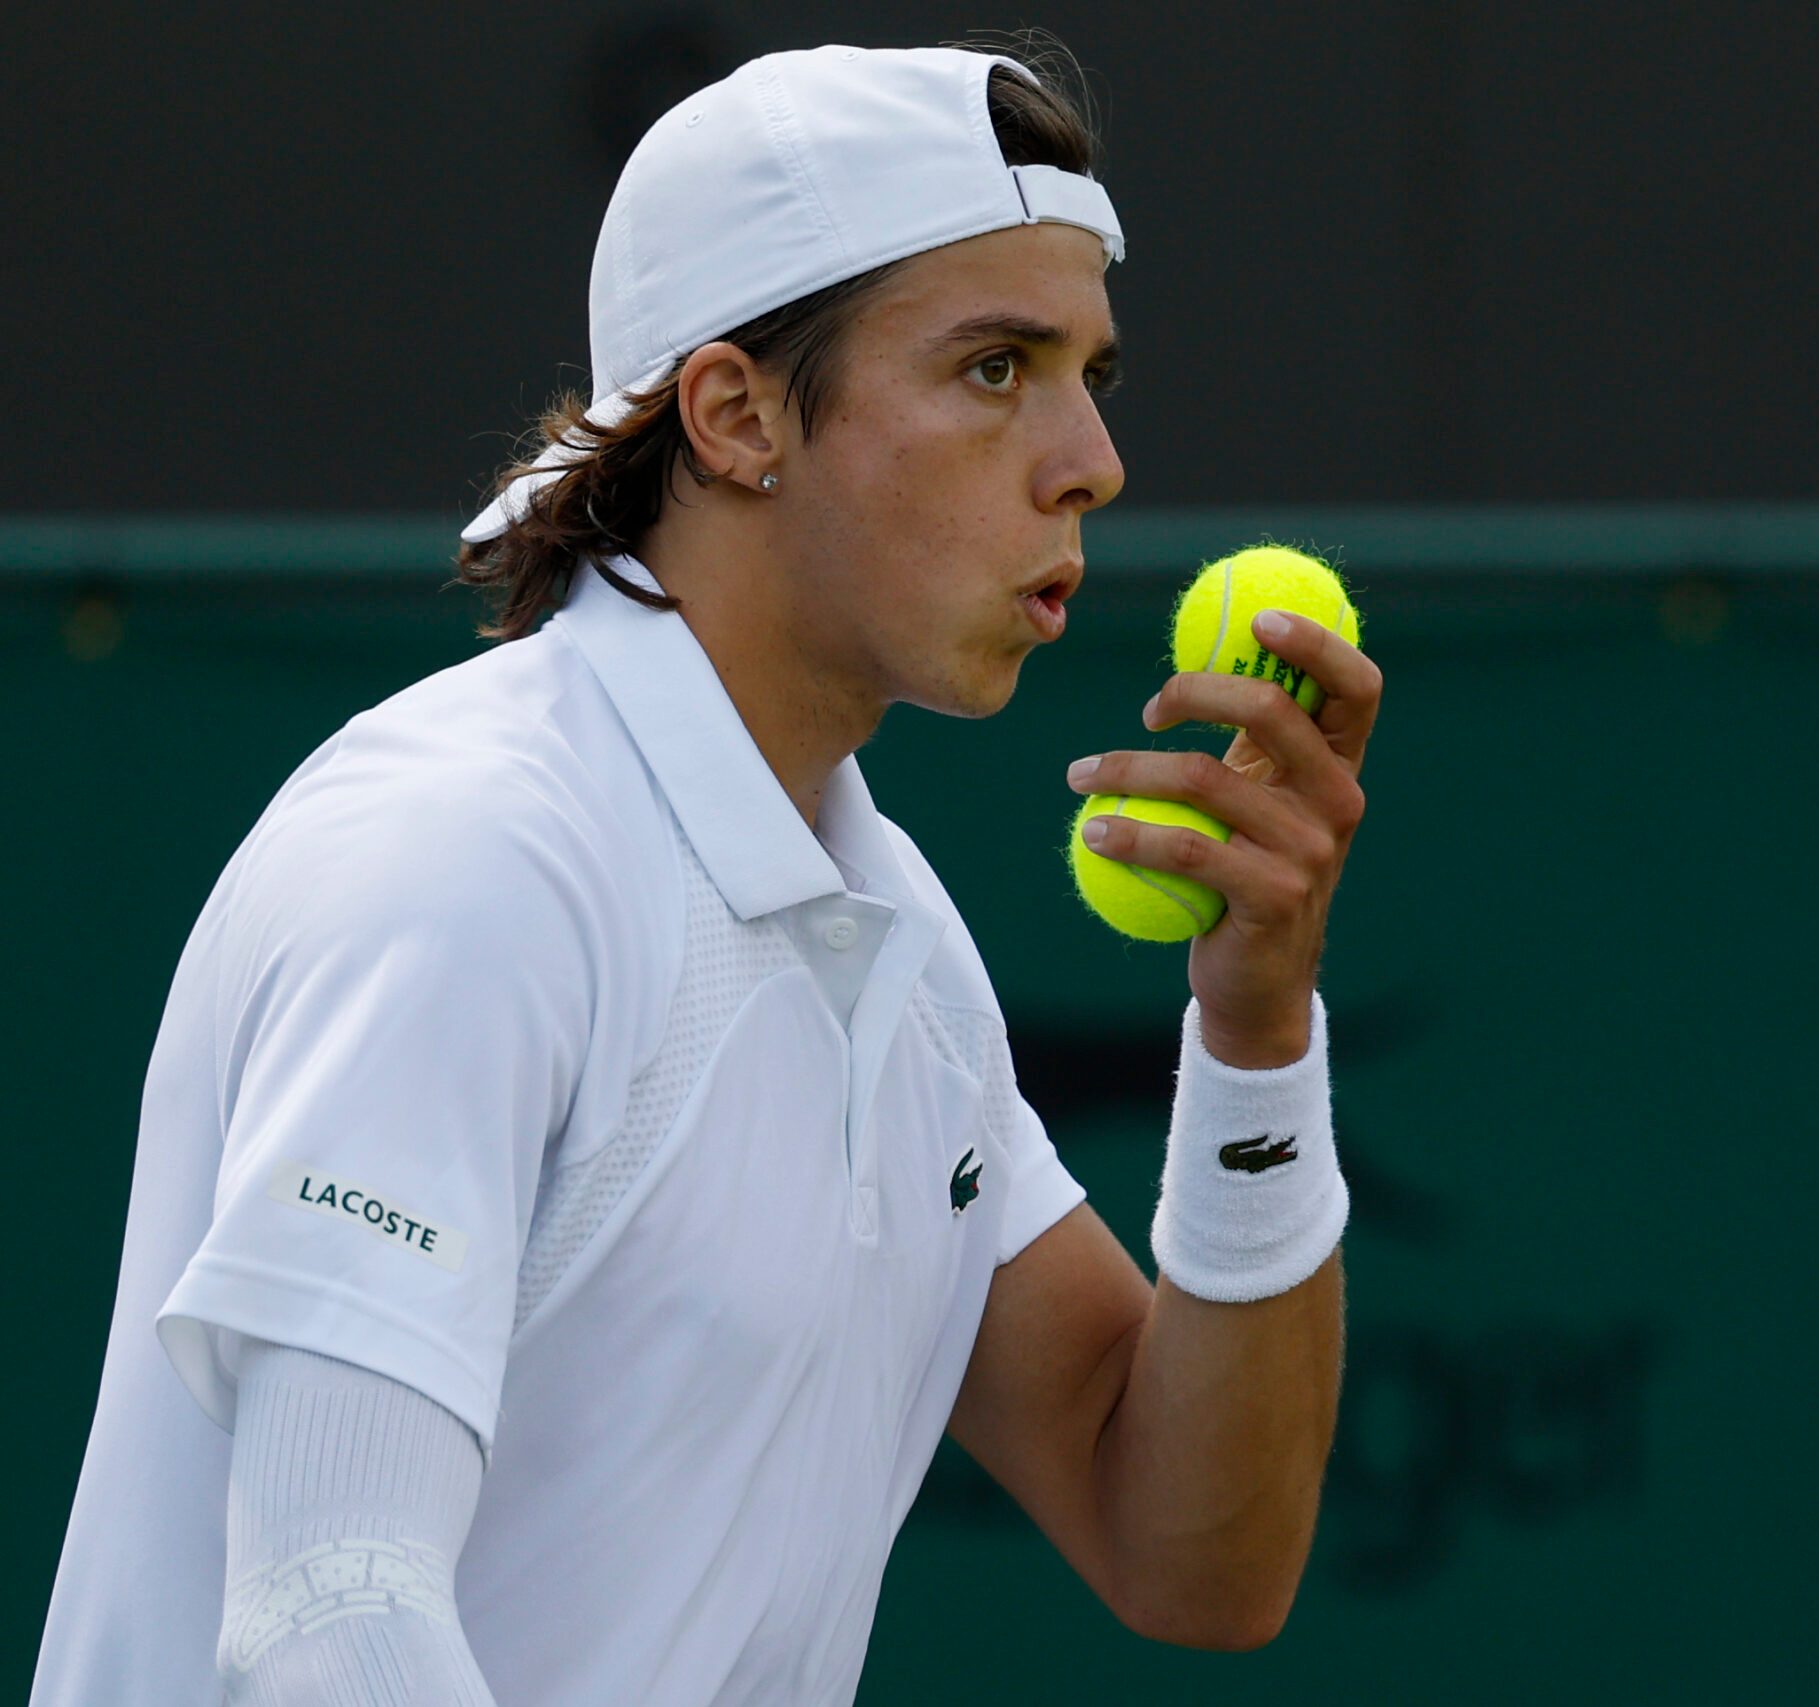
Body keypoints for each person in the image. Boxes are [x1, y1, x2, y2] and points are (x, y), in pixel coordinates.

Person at [34, 36, 1377, 1704]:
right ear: (739, 416)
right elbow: (330, 1596)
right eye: (993, 369)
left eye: (1093, 373)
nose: (1087, 460)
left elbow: (1194, 1549)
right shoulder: (466, 855)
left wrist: (1256, 1035)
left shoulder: (898, 950)